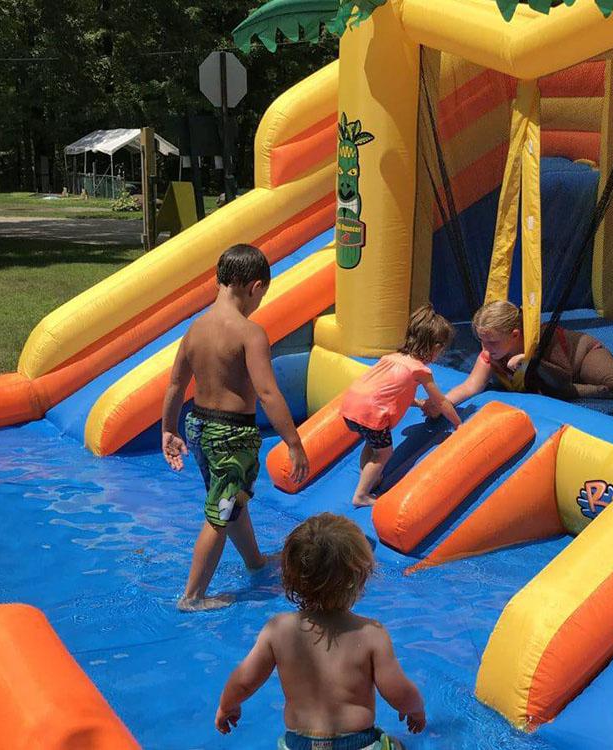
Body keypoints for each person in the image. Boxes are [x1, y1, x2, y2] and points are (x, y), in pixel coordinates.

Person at [162, 244, 309, 612]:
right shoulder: (249, 333)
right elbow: (267, 391)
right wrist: (293, 441)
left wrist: (168, 429)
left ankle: (255, 562)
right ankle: (192, 597)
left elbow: (176, 386)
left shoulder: (194, 329)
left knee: (231, 498)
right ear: (255, 287)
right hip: (232, 435)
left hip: (197, 427)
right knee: (220, 512)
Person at [215, 513, 425, 750]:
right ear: (359, 578)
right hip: (357, 745)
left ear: (290, 577)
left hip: (298, 745)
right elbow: (398, 692)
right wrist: (415, 709)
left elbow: (243, 681)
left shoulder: (278, 630)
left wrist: (227, 705)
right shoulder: (371, 634)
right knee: (398, 746)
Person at [340, 305, 461, 507]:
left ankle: (369, 476)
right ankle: (361, 495)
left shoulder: (390, 358)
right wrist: (458, 424)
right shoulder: (420, 370)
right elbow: (441, 401)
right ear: (436, 348)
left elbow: (386, 394)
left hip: (351, 407)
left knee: (372, 443)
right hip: (371, 413)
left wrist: (418, 403)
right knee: (384, 453)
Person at [437, 300, 613, 411]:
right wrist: (443, 402)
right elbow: (470, 386)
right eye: (482, 340)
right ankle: (603, 390)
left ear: (515, 335)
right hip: (557, 386)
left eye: (492, 341)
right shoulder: (490, 353)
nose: (486, 347)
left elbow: (563, 378)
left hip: (582, 356)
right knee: (601, 390)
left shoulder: (540, 338)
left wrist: (529, 361)